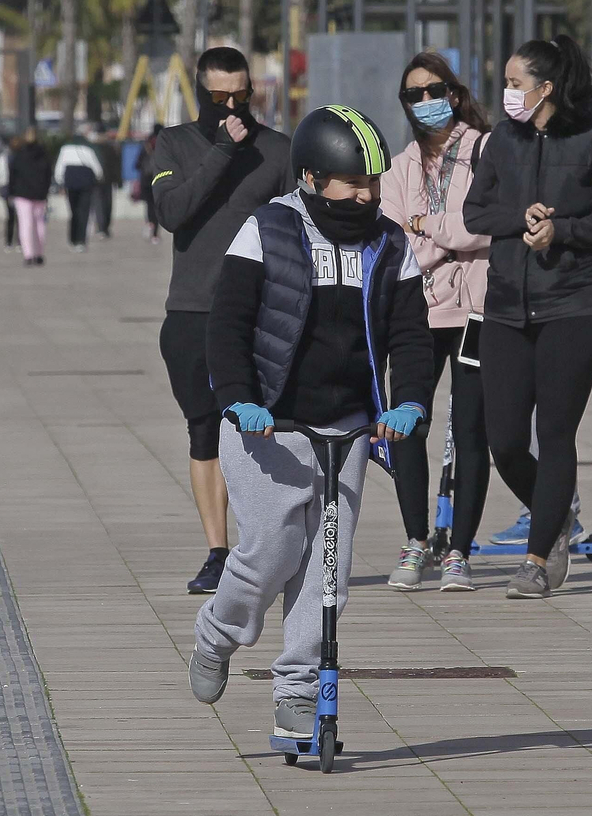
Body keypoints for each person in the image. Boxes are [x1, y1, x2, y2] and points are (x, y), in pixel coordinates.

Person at [188, 104, 432, 741]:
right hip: (266, 422)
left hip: (345, 425)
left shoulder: (390, 242)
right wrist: (239, 399)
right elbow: (229, 325)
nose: (366, 196)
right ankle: (218, 632)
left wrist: (408, 400)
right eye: (353, 184)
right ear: (311, 180)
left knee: (328, 571)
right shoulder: (266, 230)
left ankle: (297, 693)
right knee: (270, 550)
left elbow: (411, 335)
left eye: (374, 185)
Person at [462, 36, 592, 600]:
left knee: (555, 431)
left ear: (546, 88)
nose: (507, 93)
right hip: (506, 306)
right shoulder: (500, 142)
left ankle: (536, 561)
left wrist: (563, 230)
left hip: (575, 306)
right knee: (504, 439)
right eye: (506, 82)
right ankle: (552, 517)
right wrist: (519, 217)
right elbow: (475, 210)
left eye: (515, 83)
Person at [150, 47, 294, 593]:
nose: (233, 105)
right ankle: (217, 551)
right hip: (191, 310)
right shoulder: (174, 143)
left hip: (259, 313)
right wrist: (220, 151)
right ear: (200, 94)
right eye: (219, 97)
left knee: (261, 429)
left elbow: (296, 229)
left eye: (242, 94)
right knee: (204, 430)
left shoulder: (278, 150)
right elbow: (173, 212)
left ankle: (269, 544)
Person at [379, 51, 494, 593]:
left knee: (472, 431)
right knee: (409, 424)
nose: (425, 101)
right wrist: (443, 234)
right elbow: (395, 242)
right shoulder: (398, 166)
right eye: (413, 94)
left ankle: (460, 551)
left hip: (477, 310)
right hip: (415, 313)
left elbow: (489, 226)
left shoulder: (486, 150)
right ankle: (416, 539)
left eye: (433, 90)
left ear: (453, 90)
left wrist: (427, 225)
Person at [53, 132, 104, 252]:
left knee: (73, 211)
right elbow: (97, 168)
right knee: (84, 211)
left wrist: (60, 181)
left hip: (71, 181)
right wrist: (98, 178)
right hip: (86, 181)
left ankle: (72, 238)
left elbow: (60, 166)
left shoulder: (65, 149)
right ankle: (81, 241)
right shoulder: (88, 149)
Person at [8, 128, 52, 266]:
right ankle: (39, 254)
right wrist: (45, 190)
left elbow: (12, 175)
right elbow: (48, 175)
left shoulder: (18, 155)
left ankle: (29, 254)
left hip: (22, 194)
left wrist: (11, 192)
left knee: (25, 224)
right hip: (40, 194)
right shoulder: (43, 154)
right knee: (40, 224)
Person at [136, 126, 165, 244]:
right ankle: (155, 234)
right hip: (159, 178)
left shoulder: (145, 145)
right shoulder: (164, 144)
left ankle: (150, 223)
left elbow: (137, 164)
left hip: (146, 179)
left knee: (149, 205)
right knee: (157, 205)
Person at [91, 125, 120, 240]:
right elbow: (117, 166)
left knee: (101, 205)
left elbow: (116, 165)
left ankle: (102, 228)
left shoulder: (95, 148)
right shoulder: (111, 147)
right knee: (106, 204)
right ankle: (104, 228)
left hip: (100, 181)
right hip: (105, 180)